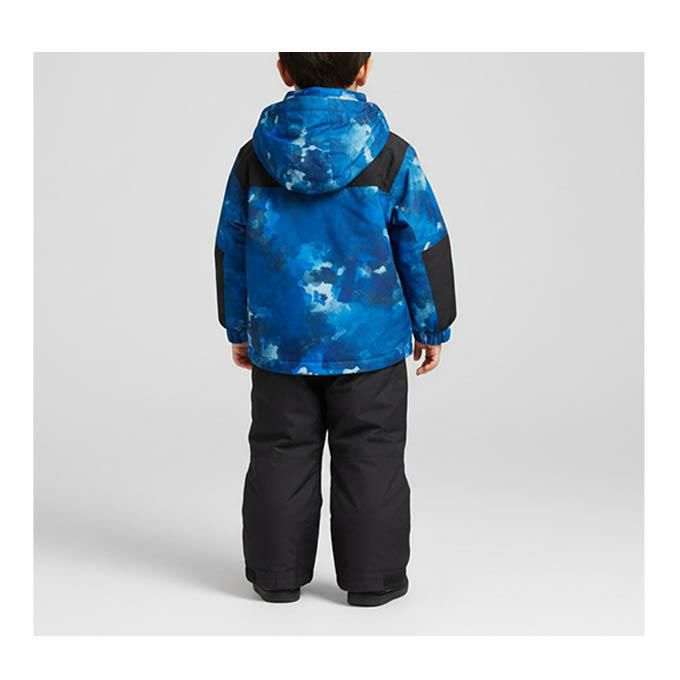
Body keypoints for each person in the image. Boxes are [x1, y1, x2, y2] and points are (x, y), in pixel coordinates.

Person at [214, 52, 456, 606]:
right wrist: (433, 325)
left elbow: (233, 243)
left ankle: (276, 577)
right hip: (370, 347)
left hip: (282, 345)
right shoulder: (391, 155)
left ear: (283, 69)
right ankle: (374, 581)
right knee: (372, 454)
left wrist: (238, 325)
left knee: (280, 452)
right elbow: (422, 242)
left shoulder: (254, 157)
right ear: (364, 69)